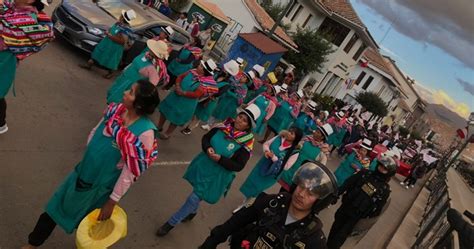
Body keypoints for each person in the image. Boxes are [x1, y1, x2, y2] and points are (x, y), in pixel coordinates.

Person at [22, 80, 160, 248]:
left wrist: (112, 201)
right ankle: (33, 243)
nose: (125, 92)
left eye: (131, 92)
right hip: (82, 172)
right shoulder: (115, 111)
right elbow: (96, 130)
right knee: (53, 209)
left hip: (100, 186)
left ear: (139, 105)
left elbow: (131, 171)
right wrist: (92, 153)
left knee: (88, 225)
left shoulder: (145, 133)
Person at [156, 105, 261, 236]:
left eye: (245, 120)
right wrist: (208, 148)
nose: (240, 120)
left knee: (193, 197)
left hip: (217, 175)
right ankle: (192, 212)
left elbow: (238, 166)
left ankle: (170, 223)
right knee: (195, 194)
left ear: (248, 127)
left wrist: (220, 159)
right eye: (240, 116)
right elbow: (206, 138)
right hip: (204, 164)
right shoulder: (222, 126)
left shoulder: (246, 143)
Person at [199, 162, 338, 249]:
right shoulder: (273, 202)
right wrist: (213, 240)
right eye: (301, 186)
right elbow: (236, 221)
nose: (301, 194)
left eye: (311, 193)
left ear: (320, 201)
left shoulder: (314, 238)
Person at [0, 0, 54, 134]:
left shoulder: (28, 18)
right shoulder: (10, 6)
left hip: (4, 61)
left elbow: (9, 37)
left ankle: (1, 124)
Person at [327, 156, 395, 249]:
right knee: (335, 229)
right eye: (381, 166)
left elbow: (378, 210)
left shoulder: (385, 190)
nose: (381, 169)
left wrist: (364, 221)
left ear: (389, 172)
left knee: (340, 237)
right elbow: (348, 183)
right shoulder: (365, 174)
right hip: (345, 207)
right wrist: (336, 194)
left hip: (356, 217)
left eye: (385, 169)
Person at [237, 127, 303, 210]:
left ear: (296, 138)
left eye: (292, 133)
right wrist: (267, 151)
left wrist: (274, 158)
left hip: (272, 173)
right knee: (252, 182)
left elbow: (286, 167)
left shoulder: (295, 152)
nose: (289, 133)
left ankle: (247, 205)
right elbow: (266, 144)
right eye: (290, 131)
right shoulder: (279, 137)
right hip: (262, 165)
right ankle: (246, 202)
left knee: (258, 188)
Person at [157, 59, 218, 139]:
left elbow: (197, 94)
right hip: (175, 95)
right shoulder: (193, 71)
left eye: (200, 66)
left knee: (176, 118)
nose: (198, 66)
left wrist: (183, 93)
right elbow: (180, 77)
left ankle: (167, 134)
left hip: (186, 103)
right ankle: (159, 126)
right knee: (165, 110)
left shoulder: (205, 83)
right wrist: (178, 86)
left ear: (204, 71)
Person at [181, 59, 240, 135]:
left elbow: (218, 93)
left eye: (225, 70)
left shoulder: (227, 84)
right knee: (193, 110)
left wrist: (209, 91)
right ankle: (185, 122)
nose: (223, 70)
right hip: (203, 95)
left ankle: (189, 128)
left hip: (210, 101)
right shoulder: (216, 74)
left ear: (228, 74)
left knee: (199, 115)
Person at [80, 9, 136, 79]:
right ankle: (89, 64)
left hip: (114, 47)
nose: (120, 16)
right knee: (98, 52)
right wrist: (108, 32)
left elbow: (121, 42)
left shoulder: (125, 30)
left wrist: (109, 35)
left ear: (123, 17)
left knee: (111, 60)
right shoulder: (118, 24)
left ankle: (111, 73)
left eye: (121, 15)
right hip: (107, 42)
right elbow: (111, 29)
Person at [279, 124, 333, 192]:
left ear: (322, 137)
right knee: (282, 191)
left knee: (291, 195)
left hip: (302, 178)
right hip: (291, 170)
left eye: (318, 132)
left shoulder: (323, 152)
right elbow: (295, 149)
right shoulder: (306, 139)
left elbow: (319, 169)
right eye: (316, 130)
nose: (314, 132)